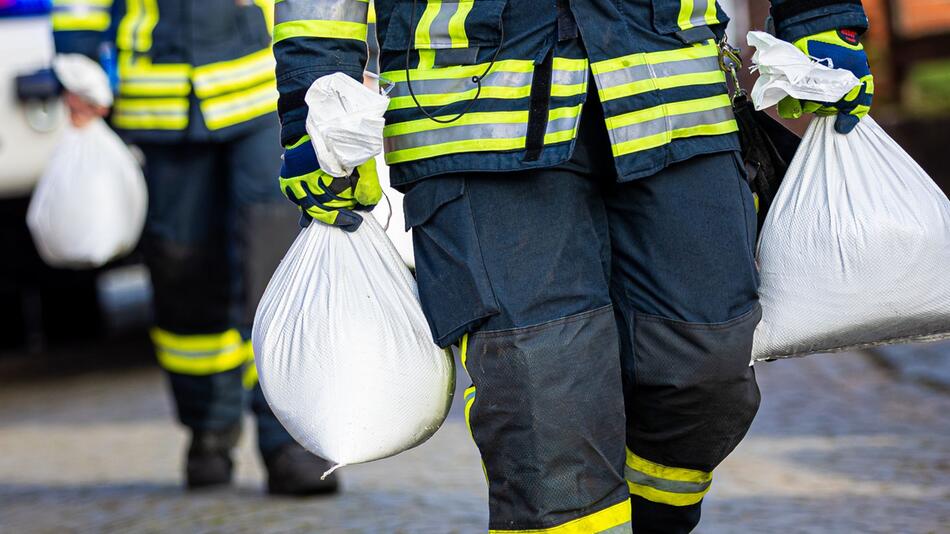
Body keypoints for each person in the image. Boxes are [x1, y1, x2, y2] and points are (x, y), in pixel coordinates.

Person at [273, 0, 873, 531]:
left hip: (673, 95)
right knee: (543, 395)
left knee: (704, 370)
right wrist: (313, 100)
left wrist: (818, 19)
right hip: (474, 124)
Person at [51, 0, 339, 495]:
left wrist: (344, 60)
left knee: (272, 268)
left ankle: (290, 439)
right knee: (182, 274)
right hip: (159, 104)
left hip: (258, 93)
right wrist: (78, 69)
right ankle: (208, 431)